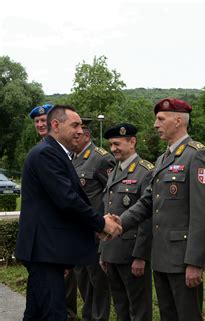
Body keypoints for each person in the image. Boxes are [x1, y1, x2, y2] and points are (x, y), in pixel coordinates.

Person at [15, 105, 122, 321]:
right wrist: (101, 224)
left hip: (47, 252)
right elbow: (67, 200)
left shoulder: (54, 152)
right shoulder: (47, 153)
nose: (80, 131)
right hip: (44, 252)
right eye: (74, 125)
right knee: (53, 314)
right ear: (56, 125)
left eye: (81, 126)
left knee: (37, 314)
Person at [115, 98, 205, 321]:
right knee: (168, 316)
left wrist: (194, 262)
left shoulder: (197, 154)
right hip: (161, 257)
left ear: (178, 121)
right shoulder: (163, 158)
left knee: (188, 316)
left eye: (161, 119)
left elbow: (203, 213)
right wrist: (119, 222)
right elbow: (147, 201)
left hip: (182, 260)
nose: (155, 124)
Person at [99, 123, 154, 321]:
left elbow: (148, 216)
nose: (113, 149)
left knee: (139, 310)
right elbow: (108, 211)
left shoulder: (145, 172)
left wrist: (141, 256)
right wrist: (103, 252)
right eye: (111, 145)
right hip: (112, 252)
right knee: (121, 308)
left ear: (132, 142)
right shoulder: (114, 171)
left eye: (117, 144)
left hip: (132, 255)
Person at [29, 102, 79, 320]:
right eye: (37, 121)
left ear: (54, 123)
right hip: (47, 245)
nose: (41, 124)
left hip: (54, 243)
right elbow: (61, 200)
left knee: (45, 306)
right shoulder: (44, 152)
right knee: (49, 307)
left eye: (43, 120)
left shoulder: (63, 150)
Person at [71, 119, 115, 321]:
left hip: (95, 234)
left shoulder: (101, 159)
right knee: (83, 282)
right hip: (78, 234)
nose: (74, 137)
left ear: (87, 136)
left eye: (78, 135)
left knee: (98, 284)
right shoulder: (72, 158)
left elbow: (112, 194)